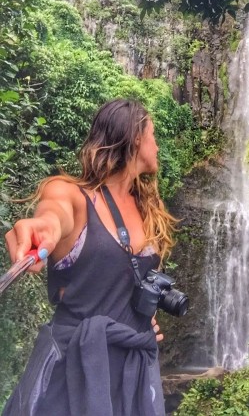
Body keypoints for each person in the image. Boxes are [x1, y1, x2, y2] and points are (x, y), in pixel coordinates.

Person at [3, 99, 177, 416]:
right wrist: (43, 228)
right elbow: (54, 213)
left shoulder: (148, 208)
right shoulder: (72, 195)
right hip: (72, 371)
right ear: (137, 138)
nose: (157, 146)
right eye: (153, 136)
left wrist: (139, 320)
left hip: (131, 375)